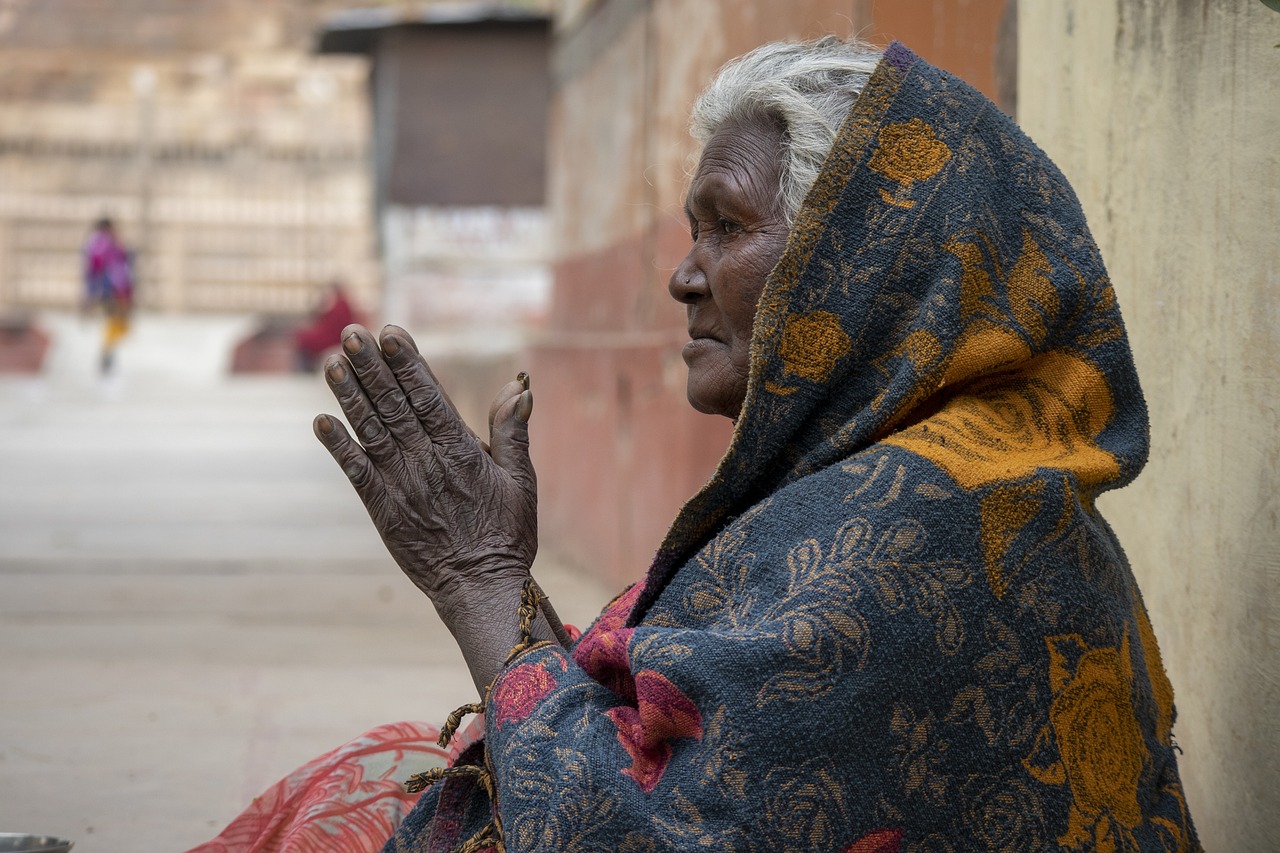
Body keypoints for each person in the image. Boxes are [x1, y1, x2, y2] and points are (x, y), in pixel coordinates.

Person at [196, 37, 1200, 852]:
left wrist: (476, 577)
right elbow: (652, 755)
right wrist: (504, 582)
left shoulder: (917, 528)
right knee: (375, 766)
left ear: (851, 272)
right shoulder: (920, 476)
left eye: (725, 226)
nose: (683, 277)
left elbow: (622, 833)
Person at [82, 217, 134, 373]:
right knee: (114, 321)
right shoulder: (102, 244)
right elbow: (97, 269)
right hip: (112, 289)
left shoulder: (104, 244)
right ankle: (107, 355)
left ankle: (108, 354)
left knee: (115, 323)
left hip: (113, 289)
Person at [294, 281, 358, 372]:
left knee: (303, 350)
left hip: (331, 345)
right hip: (330, 343)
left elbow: (328, 333)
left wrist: (303, 336)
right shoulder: (339, 306)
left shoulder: (339, 307)